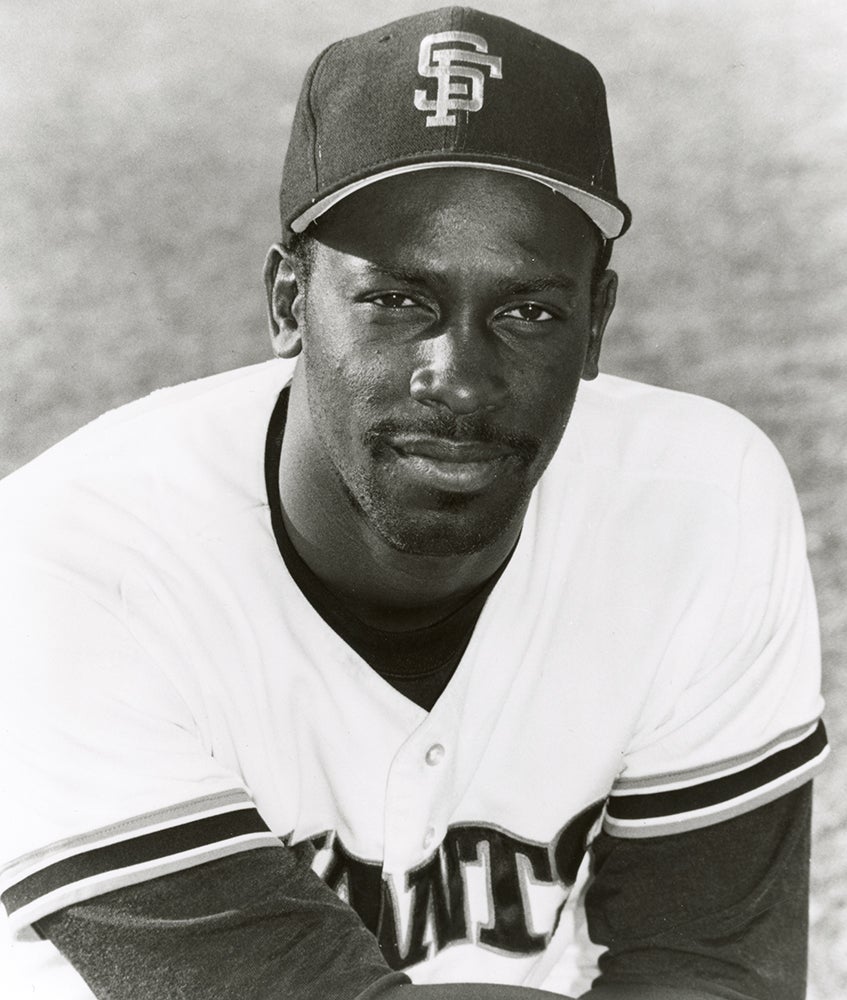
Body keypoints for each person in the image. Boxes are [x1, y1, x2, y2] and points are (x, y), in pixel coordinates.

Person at [0, 7, 828, 1000]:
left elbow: (715, 967)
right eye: (398, 300)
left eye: (528, 310)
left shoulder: (701, 502)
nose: (461, 378)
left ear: (596, 322)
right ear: (287, 303)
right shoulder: (70, 560)